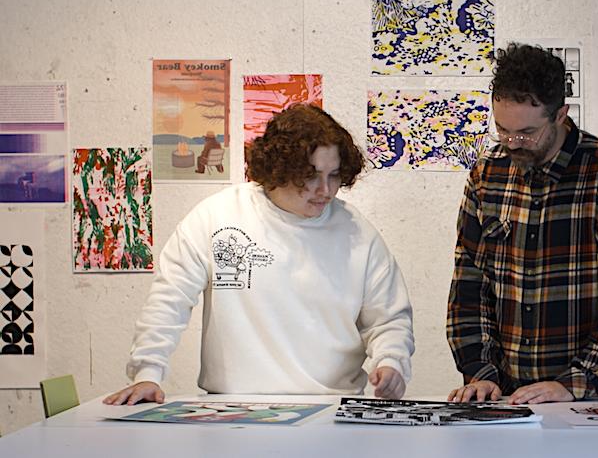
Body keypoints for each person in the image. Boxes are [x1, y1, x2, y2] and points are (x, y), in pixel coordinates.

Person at [105, 104, 414, 405]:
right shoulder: (218, 217)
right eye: (311, 175)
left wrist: (391, 362)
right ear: (279, 168)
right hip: (232, 410)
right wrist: (147, 372)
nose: (326, 190)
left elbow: (388, 319)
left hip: (331, 407)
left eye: (334, 175)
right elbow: (169, 298)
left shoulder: (357, 233)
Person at [446, 43, 598, 404]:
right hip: (511, 399)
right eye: (502, 130)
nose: (513, 144)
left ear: (560, 115)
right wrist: (480, 372)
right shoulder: (487, 174)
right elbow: (469, 284)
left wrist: (574, 382)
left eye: (527, 133)